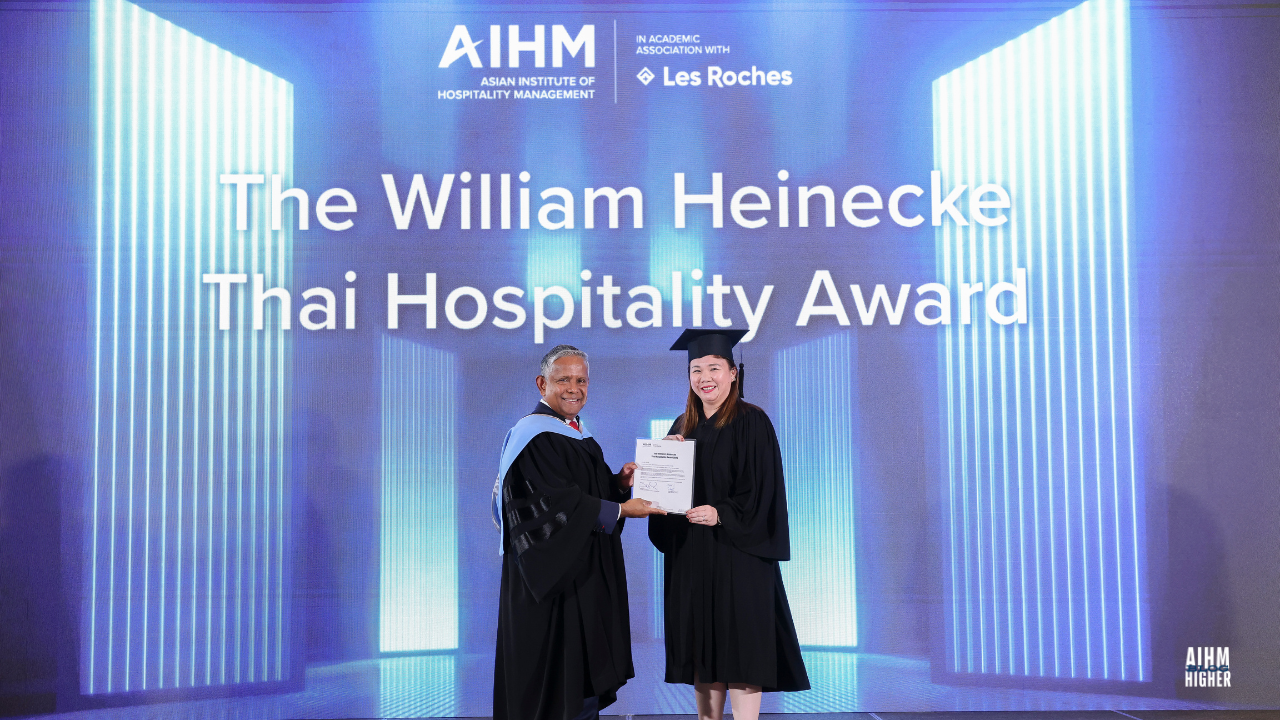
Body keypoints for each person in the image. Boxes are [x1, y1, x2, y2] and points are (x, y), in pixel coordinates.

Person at [492, 344, 666, 720]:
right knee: (555, 689)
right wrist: (619, 508)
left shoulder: (575, 433)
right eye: (564, 380)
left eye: (581, 380)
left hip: (579, 578)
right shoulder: (533, 436)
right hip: (550, 583)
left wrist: (618, 484)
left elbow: (585, 493)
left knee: (581, 686)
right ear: (542, 384)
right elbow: (553, 504)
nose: (574, 388)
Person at [648, 329, 810, 720]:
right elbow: (663, 502)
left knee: (741, 649)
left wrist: (721, 513)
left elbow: (763, 493)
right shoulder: (680, 427)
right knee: (703, 649)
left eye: (715, 368)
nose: (705, 377)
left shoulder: (752, 422)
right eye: (696, 369)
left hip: (740, 557)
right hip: (693, 557)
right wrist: (653, 469)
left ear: (734, 372)